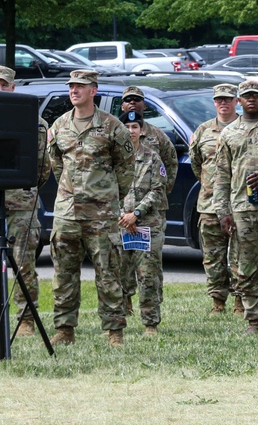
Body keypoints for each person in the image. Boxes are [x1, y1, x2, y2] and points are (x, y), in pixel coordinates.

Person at [48, 70, 134, 346]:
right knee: (64, 273)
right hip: (67, 212)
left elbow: (126, 167)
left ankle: (114, 330)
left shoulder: (111, 126)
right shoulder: (60, 125)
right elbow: (56, 162)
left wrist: (108, 195)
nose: (74, 90)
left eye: (80, 87)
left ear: (93, 91)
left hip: (101, 213)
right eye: (72, 86)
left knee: (108, 272)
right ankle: (64, 329)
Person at [214, 78, 258, 335]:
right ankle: (254, 320)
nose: (251, 99)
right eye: (246, 95)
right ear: (239, 100)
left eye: (256, 95)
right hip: (242, 208)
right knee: (246, 267)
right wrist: (223, 212)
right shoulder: (229, 133)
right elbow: (221, 174)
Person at [0, 66, 51, 337]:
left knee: (23, 263)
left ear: (13, 87)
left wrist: (24, 191)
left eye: (3, 85)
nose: (0, 89)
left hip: (22, 202)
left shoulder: (34, 122)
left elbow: (42, 167)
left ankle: (26, 320)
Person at [120, 86, 178, 317]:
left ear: (143, 105)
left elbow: (170, 165)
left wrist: (160, 196)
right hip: (121, 218)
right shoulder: (113, 144)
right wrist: (123, 215)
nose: (133, 103)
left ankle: (150, 314)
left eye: (137, 100)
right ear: (122, 105)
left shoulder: (156, 138)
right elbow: (106, 185)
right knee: (122, 268)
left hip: (149, 214)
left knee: (149, 269)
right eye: (128, 100)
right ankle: (123, 307)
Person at [190, 83, 241, 315]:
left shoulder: (245, 128)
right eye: (219, 99)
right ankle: (218, 302)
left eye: (228, 99)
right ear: (214, 102)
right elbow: (196, 164)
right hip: (209, 204)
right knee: (213, 257)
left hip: (241, 203)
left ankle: (241, 302)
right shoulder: (202, 131)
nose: (223, 103)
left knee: (242, 256)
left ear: (236, 102)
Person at [117, 110, 168, 335]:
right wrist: (123, 216)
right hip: (120, 224)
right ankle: (117, 321)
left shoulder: (152, 157)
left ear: (141, 130)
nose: (131, 131)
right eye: (127, 128)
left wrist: (135, 214)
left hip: (146, 224)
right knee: (118, 274)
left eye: (135, 127)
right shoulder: (114, 158)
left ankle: (150, 323)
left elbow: (158, 190)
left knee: (148, 275)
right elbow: (108, 188)